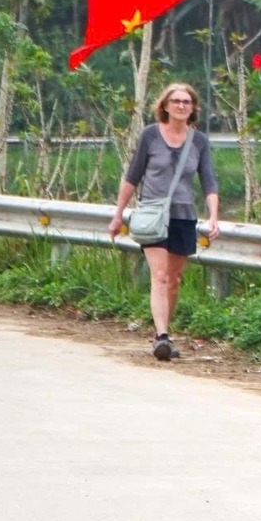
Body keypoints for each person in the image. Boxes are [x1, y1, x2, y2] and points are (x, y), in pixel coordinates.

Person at [109, 83, 221, 361]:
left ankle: (165, 333)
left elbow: (208, 180)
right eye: (176, 101)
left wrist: (214, 216)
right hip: (153, 215)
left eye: (186, 102)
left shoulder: (199, 141)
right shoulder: (150, 135)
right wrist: (118, 214)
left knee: (174, 279)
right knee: (159, 276)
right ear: (165, 106)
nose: (181, 106)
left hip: (184, 216)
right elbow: (132, 177)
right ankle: (161, 337)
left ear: (193, 108)